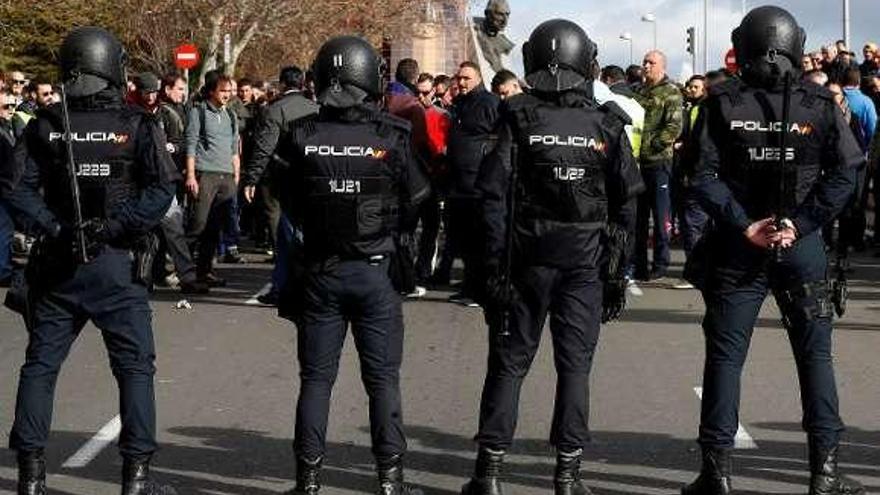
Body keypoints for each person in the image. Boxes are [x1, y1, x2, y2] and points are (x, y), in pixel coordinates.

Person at [682, 7, 865, 495]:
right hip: (798, 245)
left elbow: (700, 176)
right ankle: (823, 474)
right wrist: (800, 224)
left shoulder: (721, 101)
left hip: (741, 246)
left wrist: (746, 225)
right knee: (815, 357)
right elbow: (848, 173)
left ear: (742, 45)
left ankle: (715, 475)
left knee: (725, 357)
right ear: (796, 43)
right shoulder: (820, 103)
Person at [461, 19, 643, 495]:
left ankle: (489, 473)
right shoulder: (606, 122)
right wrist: (615, 270)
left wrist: (493, 266)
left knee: (509, 363)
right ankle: (567, 474)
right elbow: (627, 202)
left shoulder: (517, 116)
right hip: (583, 264)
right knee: (575, 367)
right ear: (587, 61)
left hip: (525, 261)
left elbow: (492, 197)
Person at [0, 27, 178, 495]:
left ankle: (31, 476)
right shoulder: (138, 123)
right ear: (113, 70)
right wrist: (115, 227)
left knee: (40, 365)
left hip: (58, 264)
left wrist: (53, 226)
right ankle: (136, 477)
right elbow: (162, 190)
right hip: (116, 265)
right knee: (135, 369)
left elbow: (15, 187)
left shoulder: (46, 123)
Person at [274, 35, 429, 494]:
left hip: (320, 270)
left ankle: (308, 482)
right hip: (374, 269)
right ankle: (389, 481)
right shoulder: (392, 135)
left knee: (316, 380)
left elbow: (286, 199)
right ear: (370, 80)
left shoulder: (300, 133)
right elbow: (419, 198)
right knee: (382, 381)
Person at [242, 65, 319, 305]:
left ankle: (283, 286)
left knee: (286, 235)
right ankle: (299, 285)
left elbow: (264, 148)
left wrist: (251, 178)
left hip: (285, 179)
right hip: (313, 178)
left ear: (283, 84)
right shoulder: (316, 109)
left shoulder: (275, 111)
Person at [441, 61, 500, 305]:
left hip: (477, 185)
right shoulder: (460, 104)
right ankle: (469, 287)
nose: (461, 82)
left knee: (479, 242)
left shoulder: (489, 103)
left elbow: (499, 137)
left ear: (477, 78)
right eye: (459, 78)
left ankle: (481, 291)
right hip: (458, 185)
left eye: (467, 78)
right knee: (463, 241)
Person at [184, 70, 240, 286]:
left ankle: (205, 271)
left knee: (213, 229)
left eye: (229, 91)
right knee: (198, 224)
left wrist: (236, 175)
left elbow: (234, 149)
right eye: (223, 91)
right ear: (211, 91)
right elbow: (191, 144)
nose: (227, 95)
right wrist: (191, 175)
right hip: (204, 174)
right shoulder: (198, 112)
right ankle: (183, 270)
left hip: (226, 177)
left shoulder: (231, 115)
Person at [634, 50, 683, 281]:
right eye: (644, 62)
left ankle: (661, 263)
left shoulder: (671, 92)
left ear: (662, 66)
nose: (646, 66)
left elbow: (673, 127)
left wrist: (654, 144)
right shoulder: (640, 92)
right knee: (639, 218)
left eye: (651, 62)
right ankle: (639, 264)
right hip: (638, 164)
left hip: (659, 162)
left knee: (662, 216)